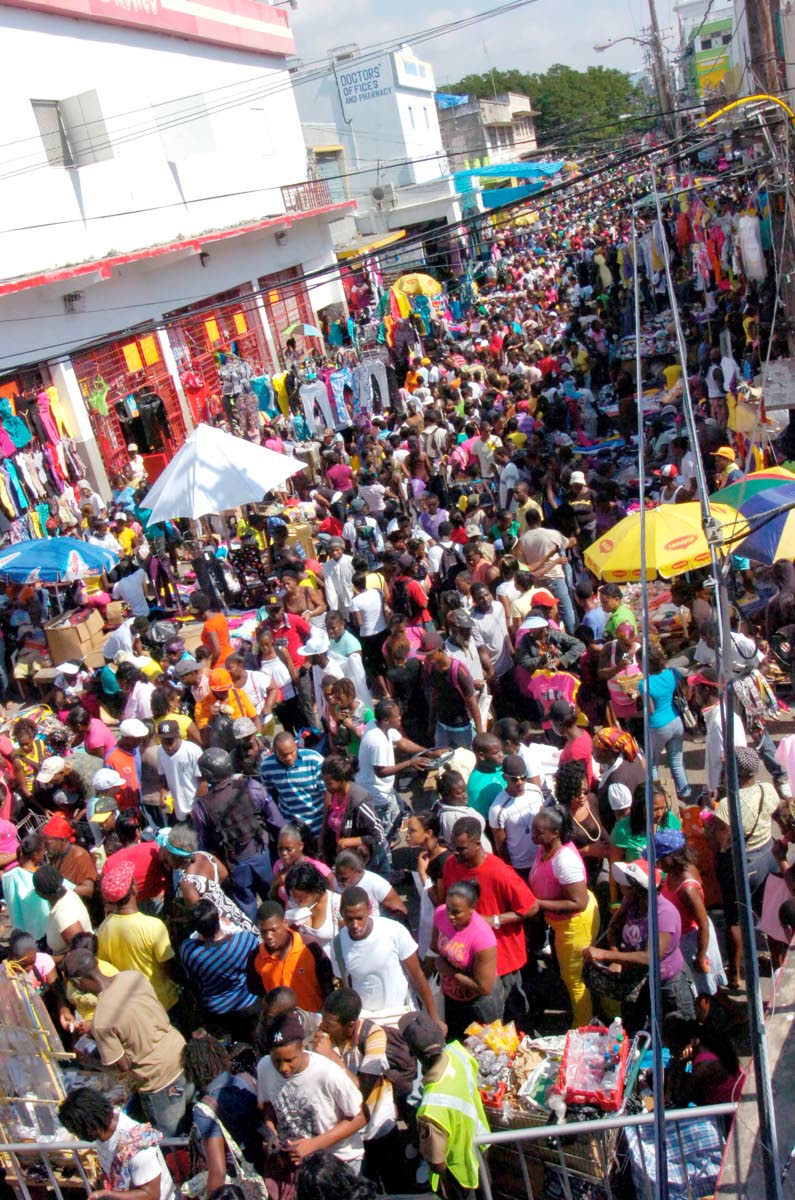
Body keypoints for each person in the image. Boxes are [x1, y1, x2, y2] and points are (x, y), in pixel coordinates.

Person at [63, 949, 188, 1137]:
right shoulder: (133, 977)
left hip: (158, 1080)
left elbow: (123, 1066)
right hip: (182, 1054)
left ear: (78, 983)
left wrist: (91, 1059)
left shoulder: (102, 1020)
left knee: (173, 1140)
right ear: (97, 962)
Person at [438, 816, 539, 1023]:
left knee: (510, 1017)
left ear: (478, 844)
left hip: (502, 959)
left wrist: (494, 920)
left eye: (461, 849)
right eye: (453, 847)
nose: (455, 853)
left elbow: (531, 907)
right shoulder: (451, 865)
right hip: (466, 958)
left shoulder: (499, 872)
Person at [583, 860, 696, 1032]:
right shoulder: (631, 902)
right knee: (635, 1033)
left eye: (625, 884)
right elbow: (613, 928)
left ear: (637, 890)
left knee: (677, 1035)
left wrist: (606, 955)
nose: (620, 886)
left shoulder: (664, 913)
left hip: (667, 986)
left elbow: (651, 957)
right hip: (636, 984)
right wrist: (616, 956)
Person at [257, 1010, 367, 1182]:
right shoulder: (264, 1067)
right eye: (276, 1060)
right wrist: (270, 1134)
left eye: (290, 1060)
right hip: (300, 1167)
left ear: (302, 1047)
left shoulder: (327, 1072)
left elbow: (361, 1116)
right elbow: (268, 1107)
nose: (283, 1068)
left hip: (339, 1162)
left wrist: (314, 1144)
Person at [312, 989, 401, 1190]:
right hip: (349, 1136)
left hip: (378, 1127)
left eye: (329, 1023)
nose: (323, 1026)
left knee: (391, 1183)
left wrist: (331, 1058)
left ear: (350, 1025)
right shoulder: (323, 1035)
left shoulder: (374, 1035)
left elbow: (363, 1091)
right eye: (323, 1019)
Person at [709, 745, 781, 990]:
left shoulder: (728, 805)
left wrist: (711, 819)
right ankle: (778, 961)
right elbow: (777, 815)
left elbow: (719, 844)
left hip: (743, 864)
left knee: (736, 919)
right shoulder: (767, 789)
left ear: (734, 772)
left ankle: (736, 976)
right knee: (770, 913)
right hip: (768, 856)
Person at [329, 886, 443, 1025]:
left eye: (360, 918)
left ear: (369, 910)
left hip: (402, 1017)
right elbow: (345, 988)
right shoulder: (338, 944)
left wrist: (435, 1018)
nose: (355, 925)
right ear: (341, 913)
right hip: (367, 1022)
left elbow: (417, 976)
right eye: (349, 919)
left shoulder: (394, 931)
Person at [403, 1014, 489, 1200]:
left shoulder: (430, 1109)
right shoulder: (459, 1053)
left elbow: (436, 1161)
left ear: (412, 1053)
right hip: (480, 1145)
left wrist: (447, 1185)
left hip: (459, 1174)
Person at [529, 805, 599, 1026]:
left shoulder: (564, 860)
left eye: (539, 832)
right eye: (533, 829)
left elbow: (578, 902)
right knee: (568, 974)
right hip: (559, 924)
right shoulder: (544, 848)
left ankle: (582, 1027)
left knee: (575, 980)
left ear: (555, 833)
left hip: (575, 924)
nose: (534, 836)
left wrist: (538, 904)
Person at [193, 748, 280, 921]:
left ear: (207, 775)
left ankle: (255, 943)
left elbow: (203, 845)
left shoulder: (201, 807)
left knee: (247, 913)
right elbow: (277, 822)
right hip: (262, 856)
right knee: (275, 901)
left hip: (234, 864)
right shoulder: (252, 787)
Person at [655, 830, 726, 1020]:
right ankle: (734, 1012)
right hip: (683, 938)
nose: (657, 863)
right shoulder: (674, 873)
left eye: (660, 859)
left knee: (700, 991)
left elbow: (703, 923)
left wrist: (701, 957)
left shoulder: (687, 888)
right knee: (707, 986)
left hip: (694, 941)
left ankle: (700, 1030)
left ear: (671, 858)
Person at [57, 1086, 176, 1200]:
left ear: (90, 1128)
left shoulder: (138, 1148)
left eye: (75, 1131)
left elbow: (151, 1195)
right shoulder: (102, 1128)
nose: (76, 1136)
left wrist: (109, 1194)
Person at [181, 1035, 264, 1198]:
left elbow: (218, 1172)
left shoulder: (204, 1111)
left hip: (237, 1184)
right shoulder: (246, 1080)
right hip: (262, 1170)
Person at [97, 861, 180, 1013]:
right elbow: (169, 968)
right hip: (163, 1001)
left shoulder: (103, 929)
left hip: (134, 1005)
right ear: (134, 888)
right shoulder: (153, 926)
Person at [355, 699, 438, 844]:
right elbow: (381, 771)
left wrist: (427, 752)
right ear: (386, 720)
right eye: (397, 716)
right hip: (376, 793)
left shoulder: (380, 726)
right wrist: (410, 763)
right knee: (383, 830)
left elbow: (402, 743)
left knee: (397, 816)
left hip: (385, 789)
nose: (400, 717)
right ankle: (383, 852)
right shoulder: (377, 741)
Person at [179, 899, 260, 1042]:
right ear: (218, 918)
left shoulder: (189, 950)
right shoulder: (245, 940)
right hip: (248, 1004)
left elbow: (193, 978)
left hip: (216, 1011)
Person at [430, 880, 500, 1040]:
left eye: (457, 912)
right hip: (450, 998)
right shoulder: (440, 914)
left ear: (473, 908)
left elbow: (484, 988)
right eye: (448, 909)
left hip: (478, 1005)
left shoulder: (483, 938)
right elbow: (434, 946)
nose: (450, 916)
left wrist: (450, 972)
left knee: (484, 1050)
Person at [156, 825, 255, 934]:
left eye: (167, 857)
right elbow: (224, 873)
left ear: (174, 856)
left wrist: (174, 921)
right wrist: (211, 890)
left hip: (222, 924)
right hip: (233, 913)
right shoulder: (204, 855)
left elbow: (199, 915)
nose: (166, 863)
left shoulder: (187, 882)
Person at [249, 900, 333, 1011]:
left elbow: (328, 983)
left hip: (314, 1020)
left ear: (284, 923)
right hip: (283, 1024)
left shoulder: (310, 947)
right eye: (263, 931)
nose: (268, 936)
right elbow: (259, 994)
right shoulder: (256, 957)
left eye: (273, 930)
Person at [637, 645, 691, 800]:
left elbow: (650, 710)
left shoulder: (645, 684)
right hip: (676, 721)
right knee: (676, 761)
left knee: (652, 764)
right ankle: (685, 794)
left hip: (658, 727)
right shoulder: (671, 674)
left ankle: (656, 797)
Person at [320, 755, 387, 872]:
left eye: (329, 783)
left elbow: (378, 835)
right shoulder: (332, 794)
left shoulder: (359, 800)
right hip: (340, 859)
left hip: (359, 864)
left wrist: (348, 842)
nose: (326, 787)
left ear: (341, 779)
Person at [488, 754, 544, 878]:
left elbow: (544, 821)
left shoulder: (535, 791)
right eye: (514, 779)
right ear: (504, 777)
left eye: (523, 778)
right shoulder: (497, 809)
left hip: (542, 858)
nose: (520, 782)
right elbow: (501, 847)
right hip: (519, 867)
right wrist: (510, 871)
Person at [260, 732, 326, 836]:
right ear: (275, 752)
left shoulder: (314, 760)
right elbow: (271, 796)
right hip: (291, 829)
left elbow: (328, 795)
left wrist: (325, 827)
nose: (289, 758)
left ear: (296, 746)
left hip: (318, 824)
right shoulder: (267, 767)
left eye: (292, 752)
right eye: (283, 755)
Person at [103, 808, 167, 913]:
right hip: (157, 904)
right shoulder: (154, 848)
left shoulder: (110, 862)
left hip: (129, 910)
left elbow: (108, 896)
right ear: (138, 832)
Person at [611, 781, 682, 866]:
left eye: (663, 808)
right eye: (655, 809)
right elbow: (614, 867)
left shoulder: (671, 820)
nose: (660, 813)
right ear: (639, 808)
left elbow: (683, 856)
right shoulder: (622, 830)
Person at [33, 863, 93, 959]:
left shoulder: (64, 916)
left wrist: (49, 960)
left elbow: (81, 953)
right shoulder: (68, 893)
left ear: (40, 894)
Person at [270, 820, 332, 904]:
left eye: (289, 849)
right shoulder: (279, 866)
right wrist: (276, 883)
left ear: (300, 846)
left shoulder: (317, 867)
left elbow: (332, 891)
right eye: (280, 849)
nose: (284, 853)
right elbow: (274, 899)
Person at [3, 832, 50, 942]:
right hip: (43, 934)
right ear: (36, 855)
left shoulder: (8, 877)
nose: (44, 854)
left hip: (22, 938)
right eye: (43, 851)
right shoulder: (42, 877)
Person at [332, 850, 407, 919]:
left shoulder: (377, 883)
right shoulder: (335, 883)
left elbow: (401, 911)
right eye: (336, 876)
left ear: (359, 872)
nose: (339, 882)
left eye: (344, 879)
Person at [284, 860, 342, 948]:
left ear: (315, 889)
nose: (298, 903)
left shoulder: (337, 903)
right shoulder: (293, 904)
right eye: (294, 898)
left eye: (302, 898)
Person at [156, 720, 204, 822]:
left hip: (195, 809)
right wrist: (163, 794)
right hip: (177, 810)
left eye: (170, 741)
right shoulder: (160, 751)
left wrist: (197, 807)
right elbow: (163, 777)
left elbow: (203, 783)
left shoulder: (193, 750)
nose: (168, 746)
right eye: (164, 741)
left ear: (178, 736)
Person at [192, 590, 233, 668]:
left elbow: (217, 649)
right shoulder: (220, 616)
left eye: (195, 616)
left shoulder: (209, 625)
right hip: (230, 654)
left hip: (220, 661)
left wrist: (210, 664)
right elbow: (227, 638)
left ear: (200, 613)